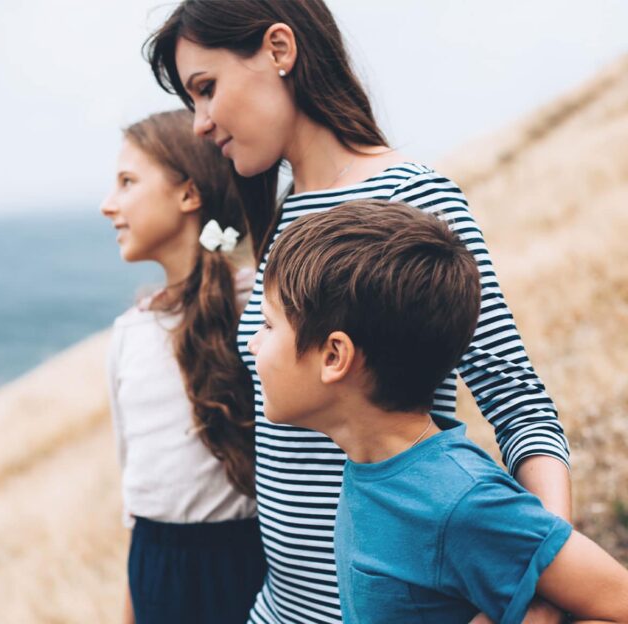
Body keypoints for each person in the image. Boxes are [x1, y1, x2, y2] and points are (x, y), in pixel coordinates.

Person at [145, 2, 572, 622]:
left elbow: (515, 399)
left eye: (206, 90)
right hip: (278, 606)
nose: (200, 124)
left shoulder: (412, 195)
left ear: (279, 50)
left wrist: (542, 580)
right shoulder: (280, 213)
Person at [247, 199, 628, 624]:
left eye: (267, 325)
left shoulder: (462, 501)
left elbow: (619, 605)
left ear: (334, 355)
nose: (253, 344)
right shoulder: (375, 465)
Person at [100, 109, 266, 624]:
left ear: (188, 194)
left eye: (128, 182)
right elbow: (138, 496)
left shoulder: (260, 306)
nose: (108, 205)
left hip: (251, 569)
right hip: (155, 568)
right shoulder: (130, 332)